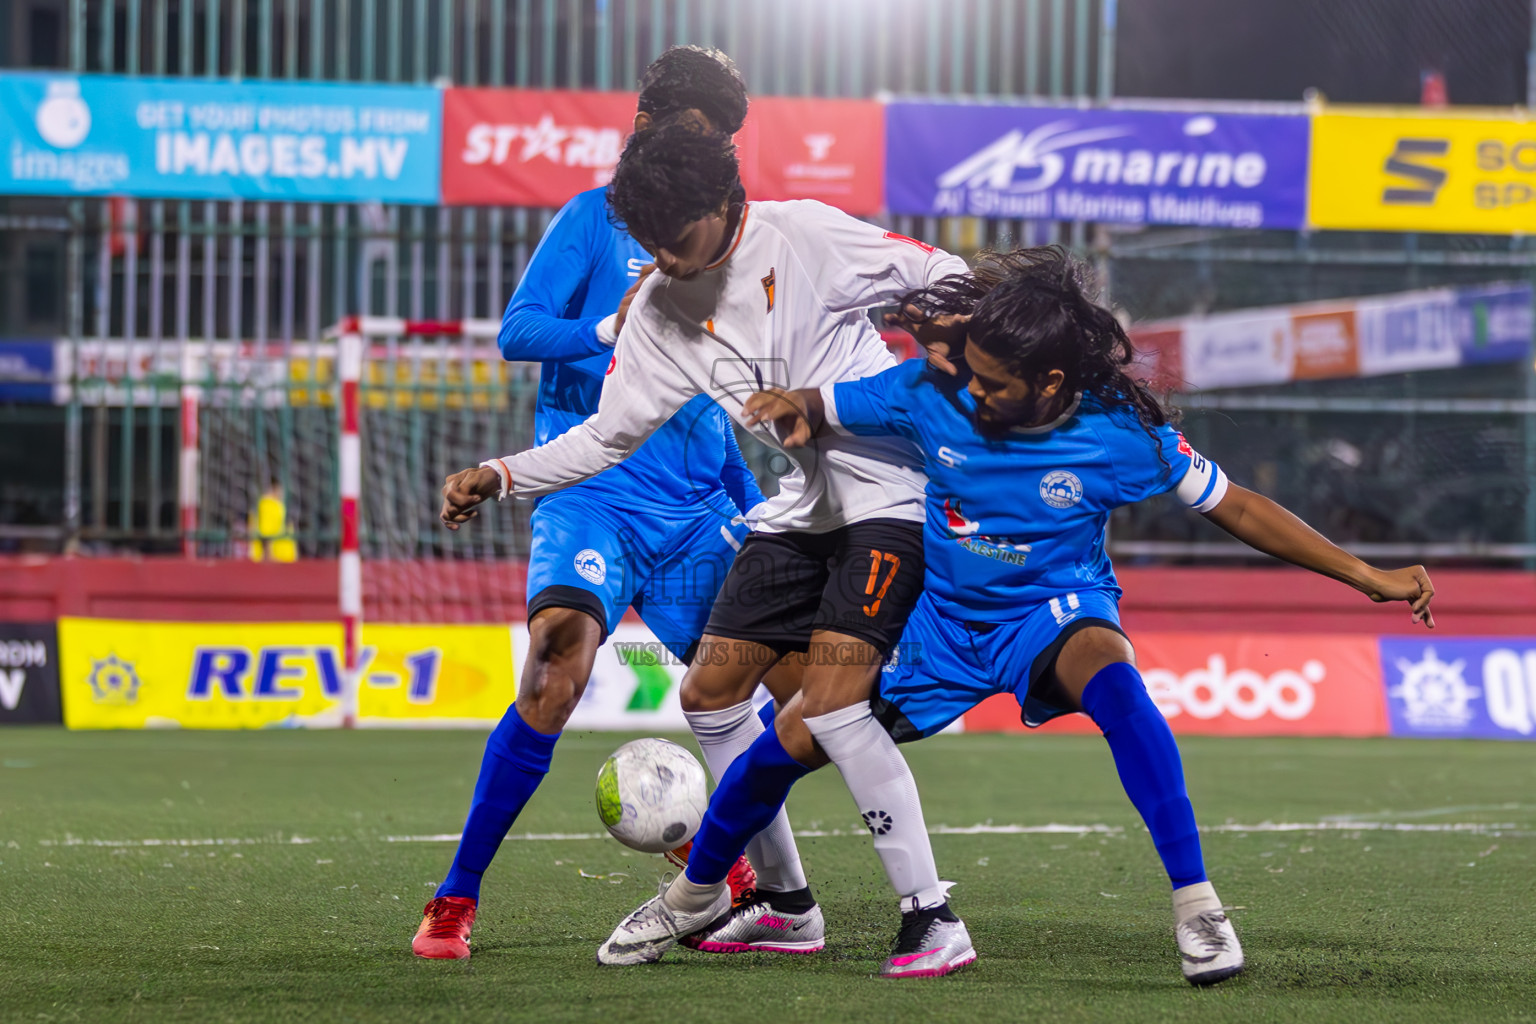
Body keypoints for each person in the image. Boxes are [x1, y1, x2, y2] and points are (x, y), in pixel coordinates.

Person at [723, 245, 1437, 985]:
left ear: (1049, 381)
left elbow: (1239, 505)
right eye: (970, 373)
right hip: (940, 623)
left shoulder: (1120, 437)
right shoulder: (931, 391)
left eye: (994, 383)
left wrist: (1364, 575)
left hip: (1052, 609)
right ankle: (695, 893)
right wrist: (794, 406)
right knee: (795, 737)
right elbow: (826, 404)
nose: (974, 394)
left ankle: (1199, 908)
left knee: (1121, 690)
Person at [438, 120, 980, 978]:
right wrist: (503, 474)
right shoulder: (658, 302)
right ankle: (788, 905)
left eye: (679, 237)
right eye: (650, 242)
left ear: (727, 204)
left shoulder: (803, 233)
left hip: (889, 496)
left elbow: (946, 273)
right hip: (800, 511)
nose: (668, 259)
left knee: (830, 705)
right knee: (712, 693)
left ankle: (931, 915)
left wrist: (929, 337)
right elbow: (607, 436)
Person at [413, 46, 812, 961]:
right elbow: (519, 332)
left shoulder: (733, 236)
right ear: (646, 129)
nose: (711, 159)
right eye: (694, 136)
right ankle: (455, 899)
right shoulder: (594, 221)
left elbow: (727, 385)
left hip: (697, 507)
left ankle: (761, 889)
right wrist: (605, 329)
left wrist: (751, 501)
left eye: (721, 143)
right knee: (558, 662)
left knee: (794, 693)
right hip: (591, 491)